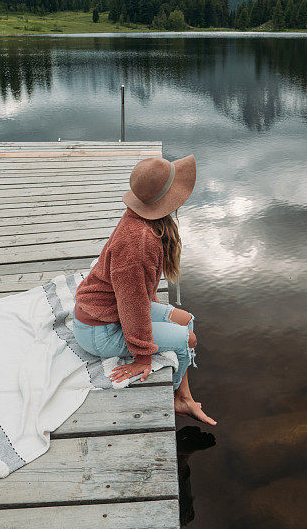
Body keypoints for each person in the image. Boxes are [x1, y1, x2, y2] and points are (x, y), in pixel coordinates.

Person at [72, 154, 216, 425]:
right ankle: (177, 396)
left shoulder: (141, 221)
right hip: (98, 330)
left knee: (186, 320)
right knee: (189, 339)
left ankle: (183, 396)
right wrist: (142, 356)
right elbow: (132, 304)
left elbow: (138, 290)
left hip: (109, 312)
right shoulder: (138, 243)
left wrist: (152, 306)